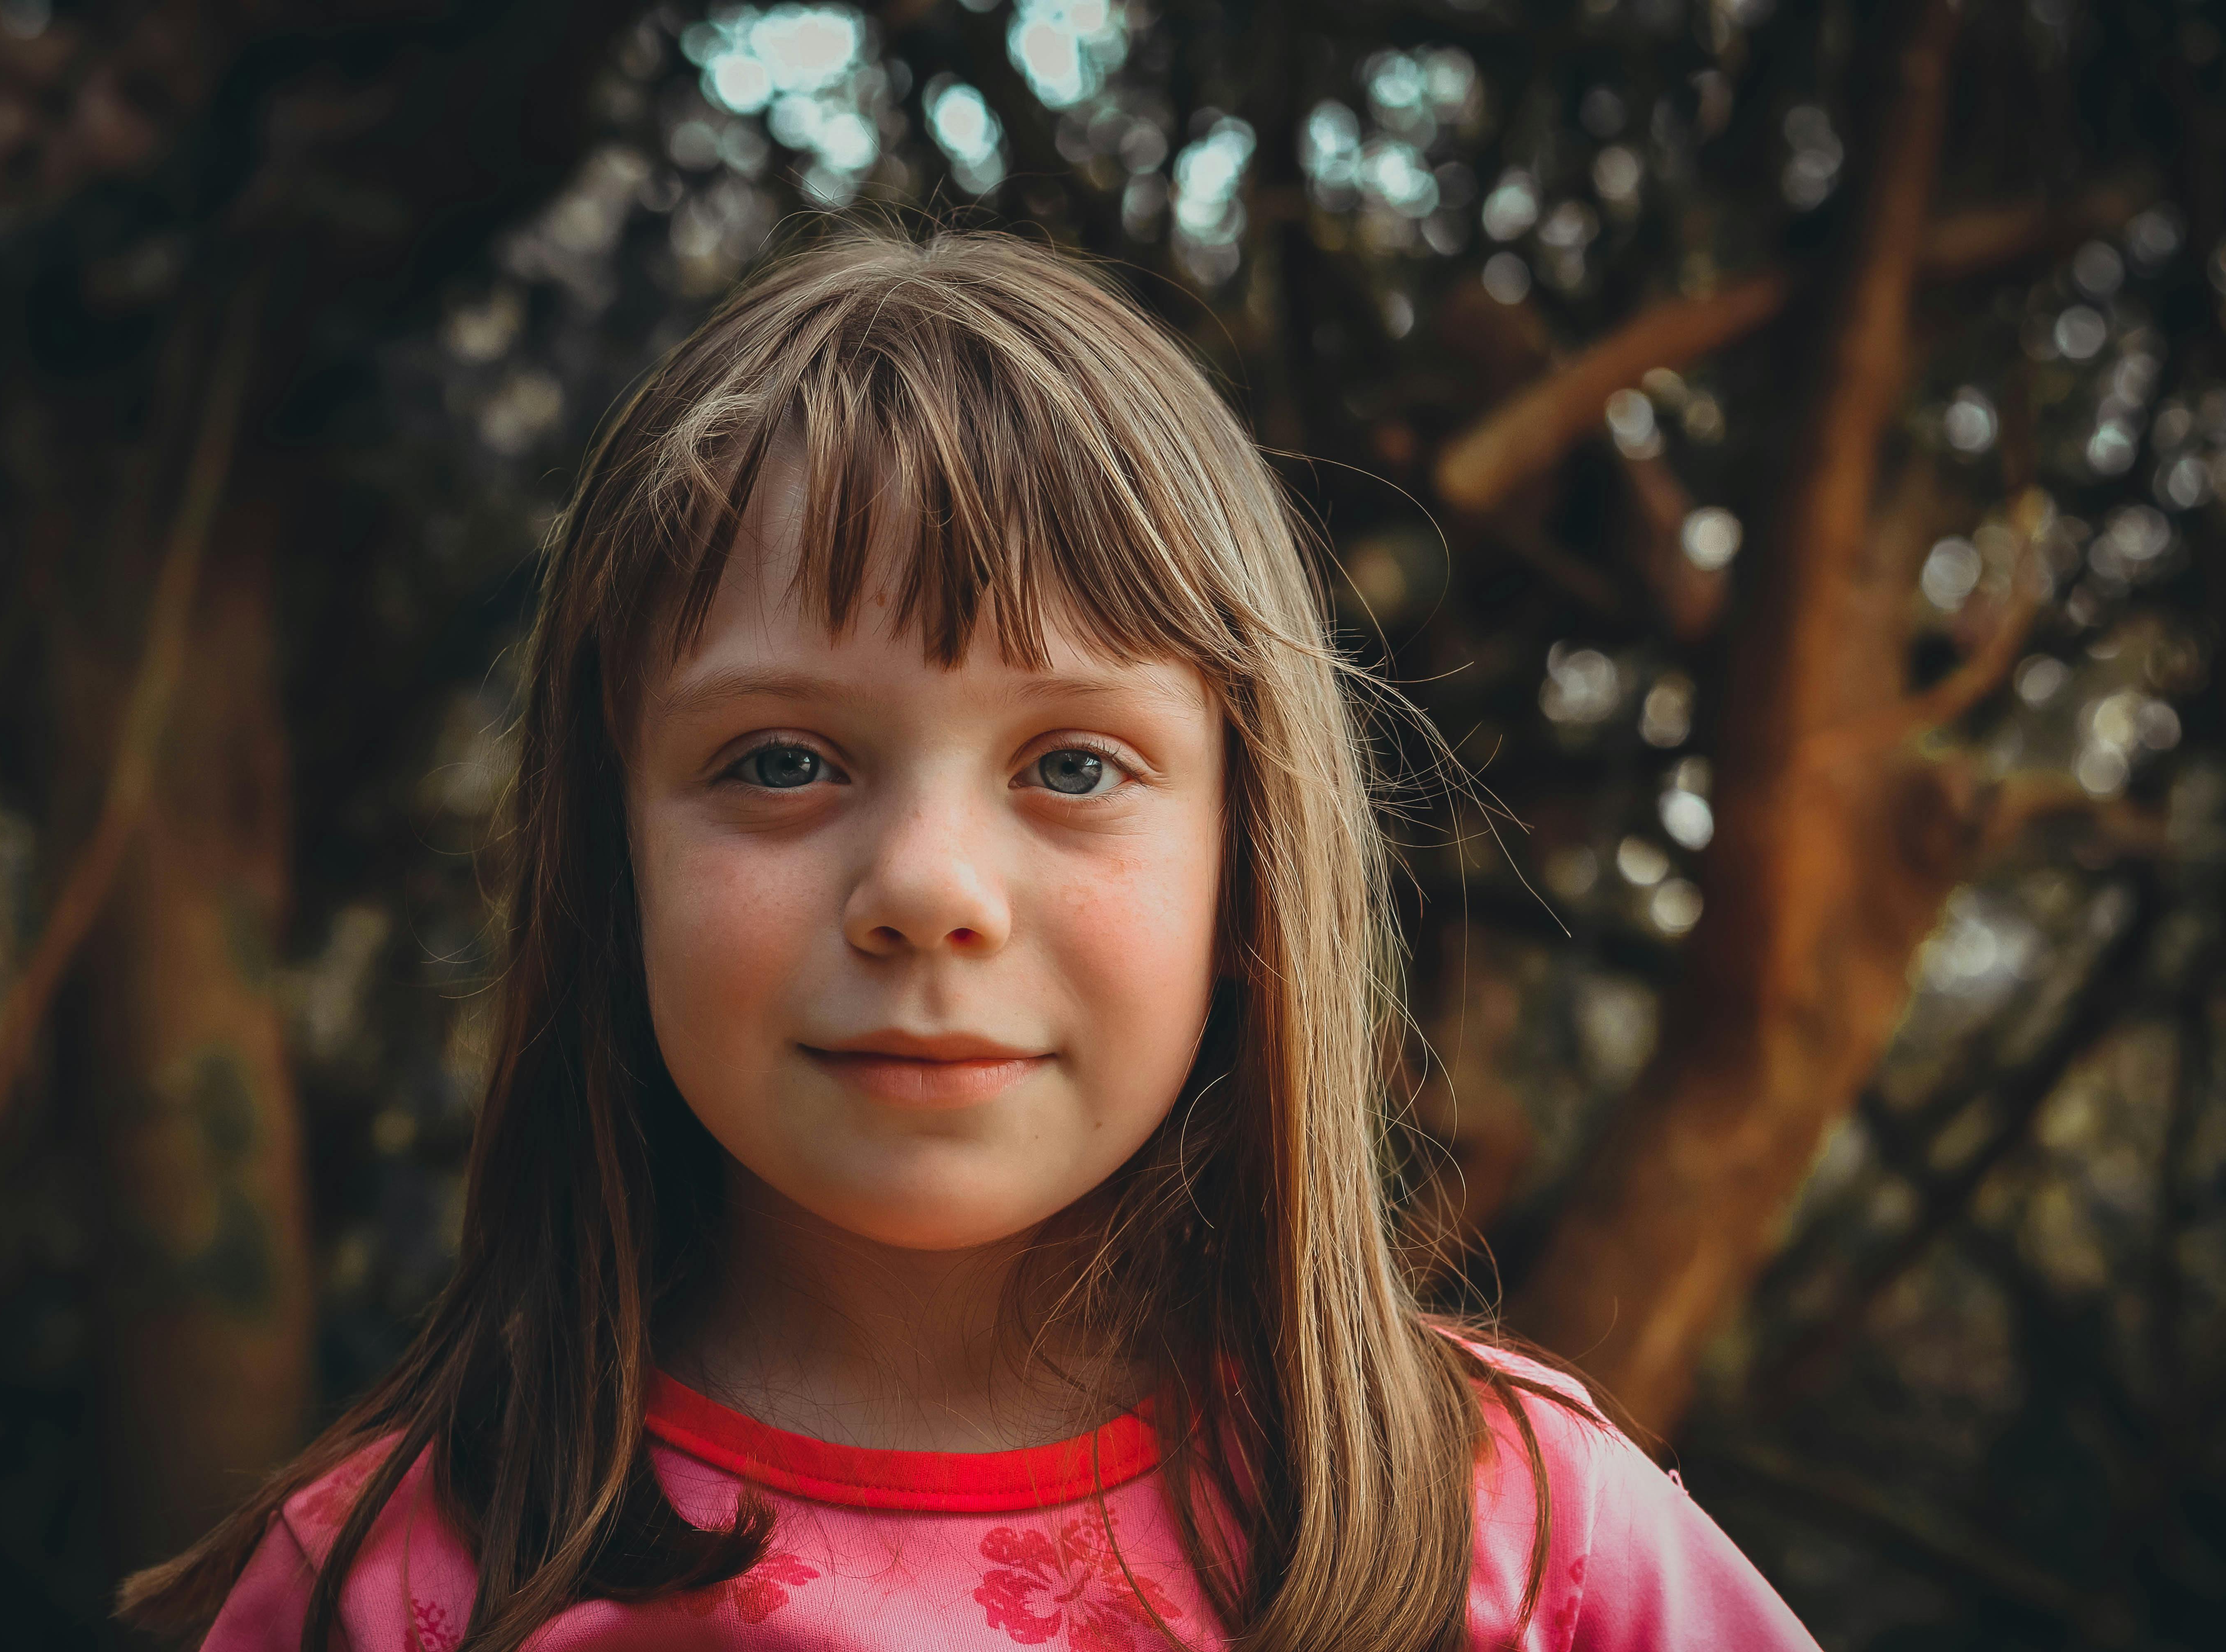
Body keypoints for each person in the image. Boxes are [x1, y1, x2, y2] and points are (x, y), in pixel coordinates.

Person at [120, 230, 1816, 1652]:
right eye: (781, 759)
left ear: (1249, 862)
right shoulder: (387, 1592)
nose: (930, 886)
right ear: (606, 858)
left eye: (1072, 764)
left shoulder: (1529, 1546)